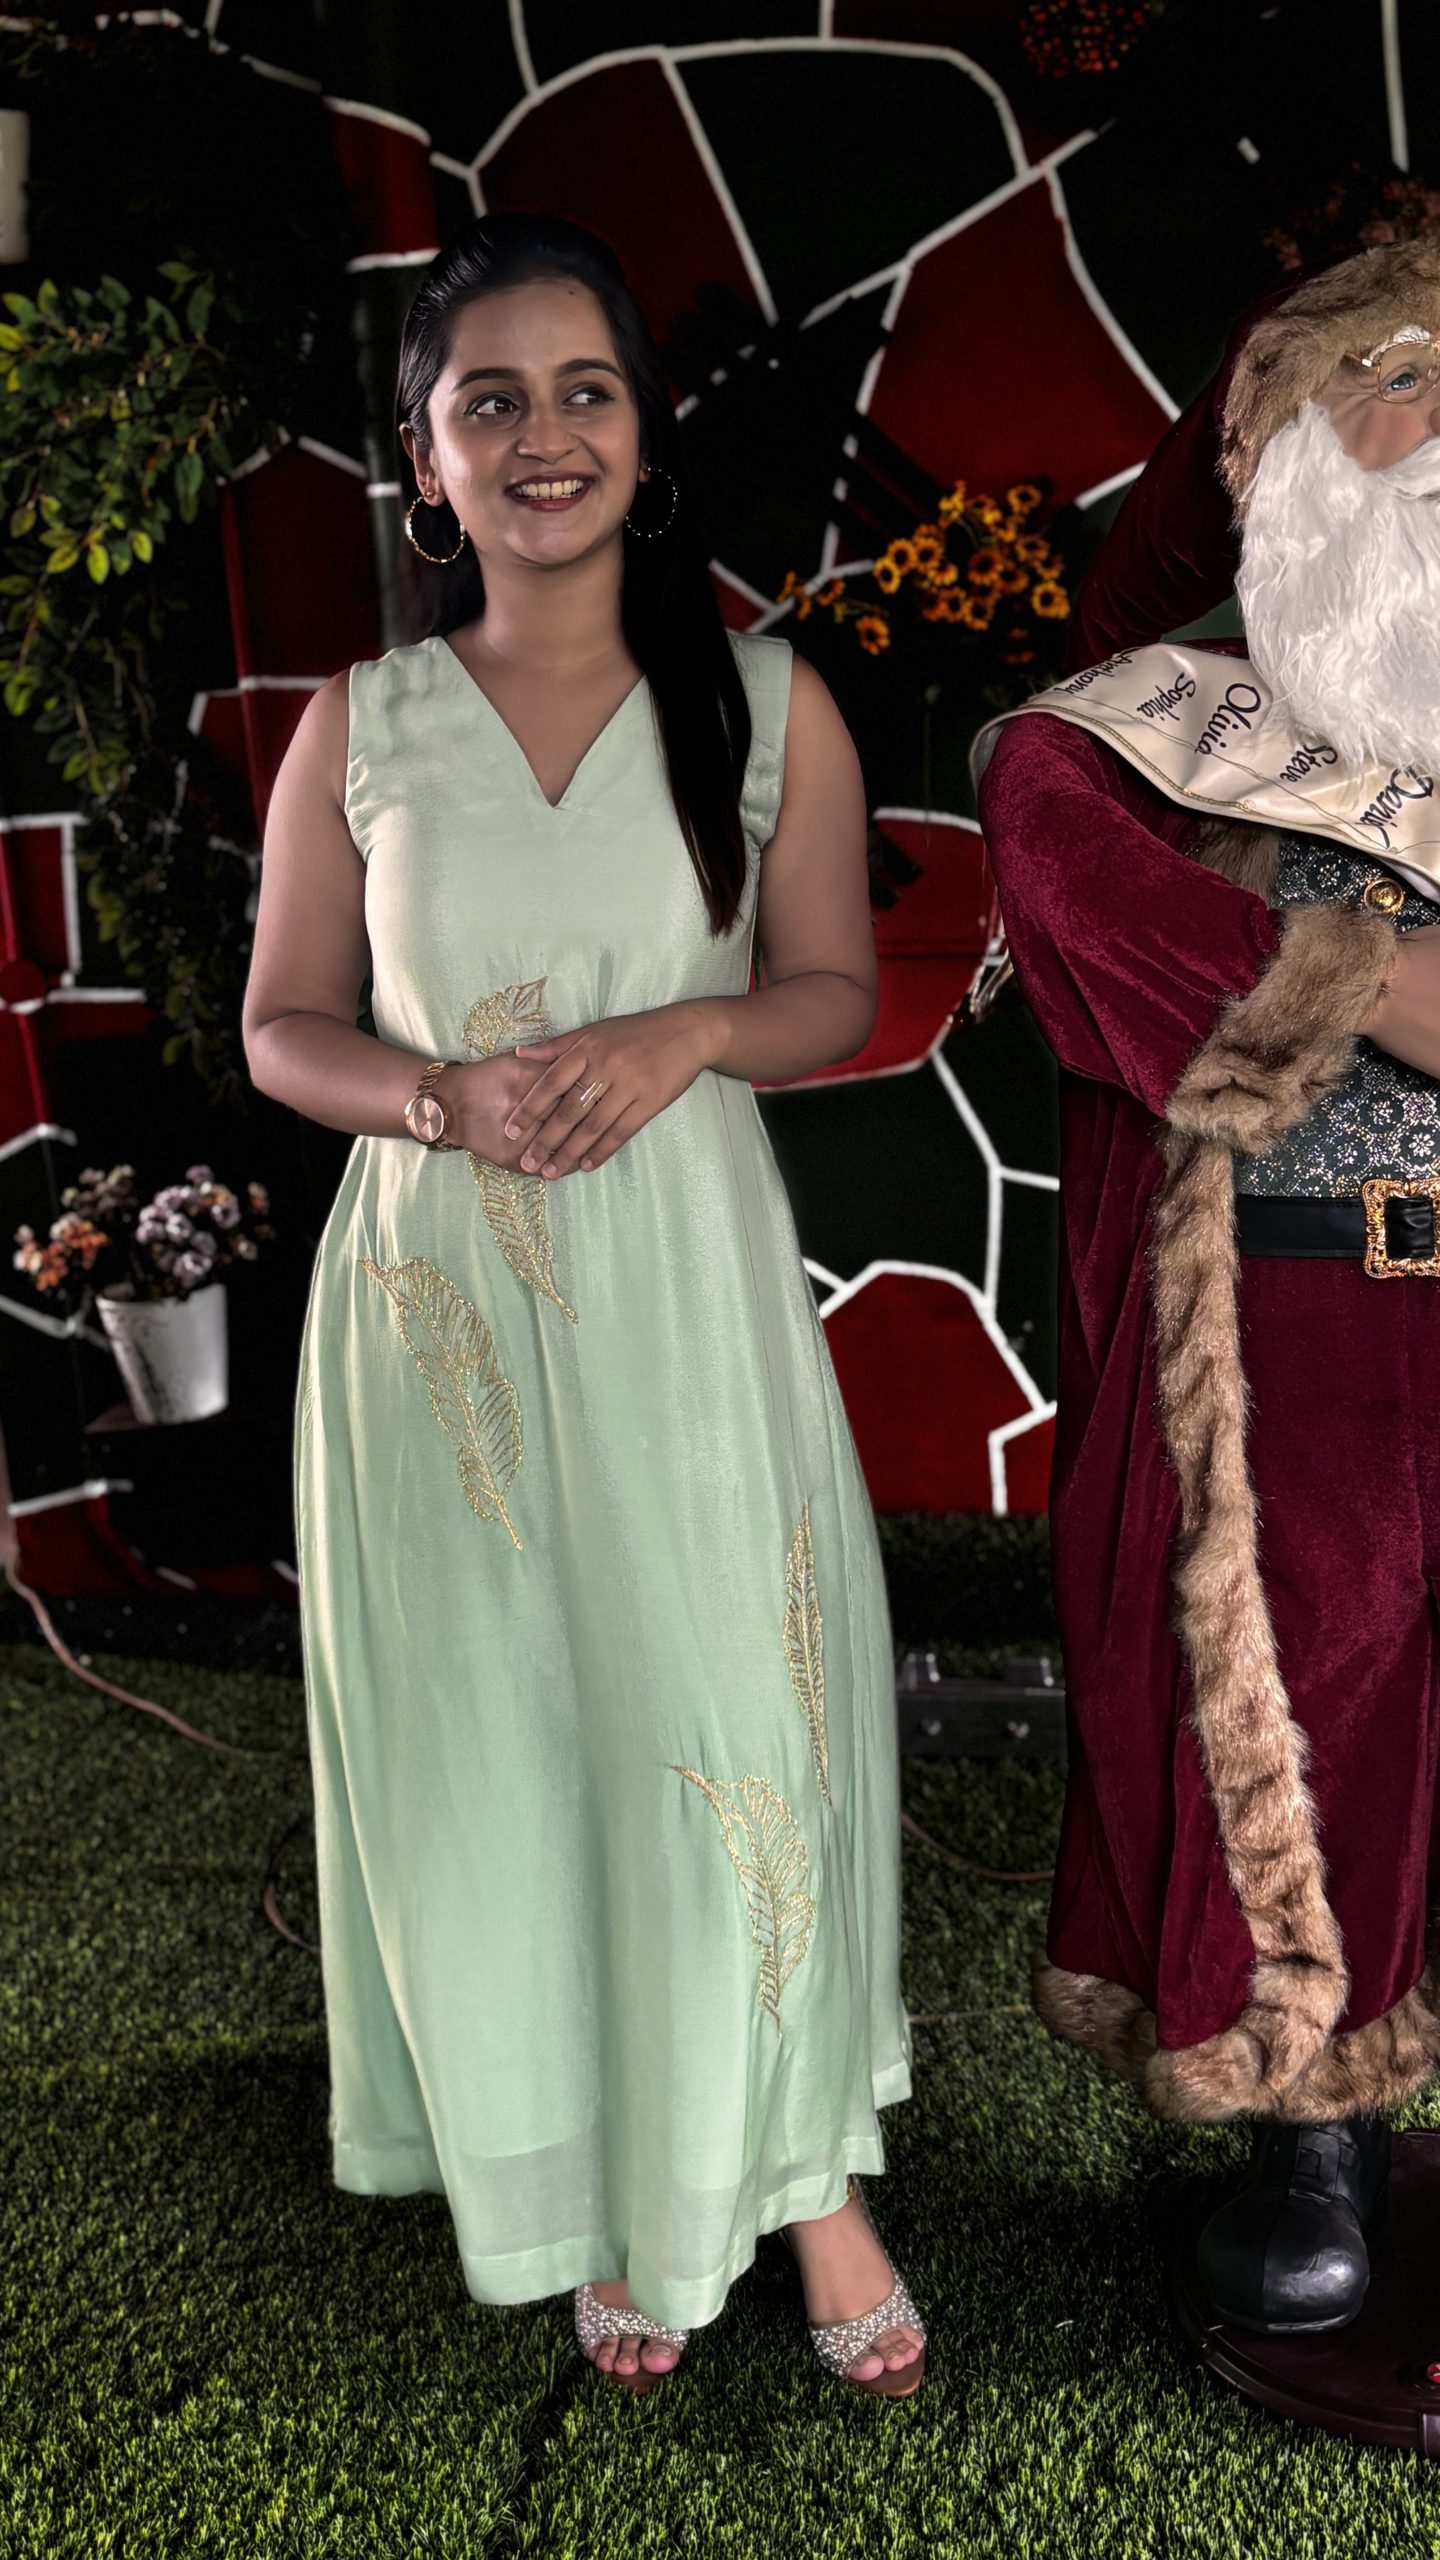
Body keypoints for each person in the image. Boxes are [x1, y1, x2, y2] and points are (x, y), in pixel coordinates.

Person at [243, 213, 924, 2396]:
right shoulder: (358, 724)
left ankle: (801, 2177)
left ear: (644, 432)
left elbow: (831, 987)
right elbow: (282, 1025)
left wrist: (686, 1032)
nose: (545, 436)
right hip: (433, 1308)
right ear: (425, 460)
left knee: (727, 1719)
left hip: (679, 1291)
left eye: (586, 391)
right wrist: (436, 1094)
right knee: (508, 1741)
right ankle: (606, 2183)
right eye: (491, 401)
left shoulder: (767, 700)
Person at [975, 239, 1440, 2337]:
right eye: (1391, 382)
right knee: (1308, 1713)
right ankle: (1311, 2127)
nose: (1431, 431)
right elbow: (1086, 907)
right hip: (1294, 1315)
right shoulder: (1139, 743)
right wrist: (1385, 984)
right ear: (1270, 450)